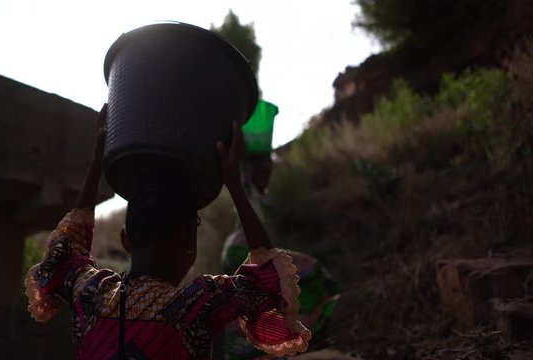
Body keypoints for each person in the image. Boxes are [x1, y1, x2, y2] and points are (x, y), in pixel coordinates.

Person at [24, 104, 311, 359]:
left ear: (126, 240)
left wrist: (99, 157)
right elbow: (265, 283)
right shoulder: (194, 306)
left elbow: (66, 250)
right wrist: (234, 184)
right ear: (189, 241)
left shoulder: (90, 293)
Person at [220, 154, 341, 359]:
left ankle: (261, 344)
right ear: (252, 171)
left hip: (240, 249)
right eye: (263, 169)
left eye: (269, 169)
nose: (267, 173)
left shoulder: (260, 194)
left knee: (256, 296)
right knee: (310, 269)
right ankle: (307, 326)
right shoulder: (248, 188)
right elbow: (240, 170)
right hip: (240, 247)